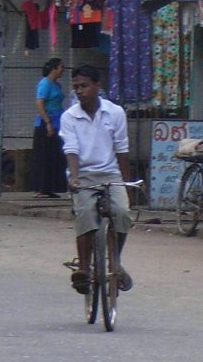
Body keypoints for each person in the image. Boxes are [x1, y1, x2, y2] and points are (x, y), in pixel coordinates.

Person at [60, 64, 138, 295]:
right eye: (76, 87)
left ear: (97, 85)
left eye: (84, 86)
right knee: (85, 213)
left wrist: (126, 185)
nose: (79, 91)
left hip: (111, 173)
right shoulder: (69, 117)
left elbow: (122, 150)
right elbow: (71, 150)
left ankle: (115, 260)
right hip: (83, 174)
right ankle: (84, 268)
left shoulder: (115, 113)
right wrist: (74, 178)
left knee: (122, 213)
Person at [29, 57, 67, 197]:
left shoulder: (57, 85)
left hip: (58, 122)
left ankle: (51, 187)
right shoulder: (45, 84)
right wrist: (48, 122)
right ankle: (41, 188)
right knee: (44, 156)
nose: (62, 70)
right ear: (54, 68)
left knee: (55, 156)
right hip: (47, 123)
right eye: (60, 67)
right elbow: (40, 103)